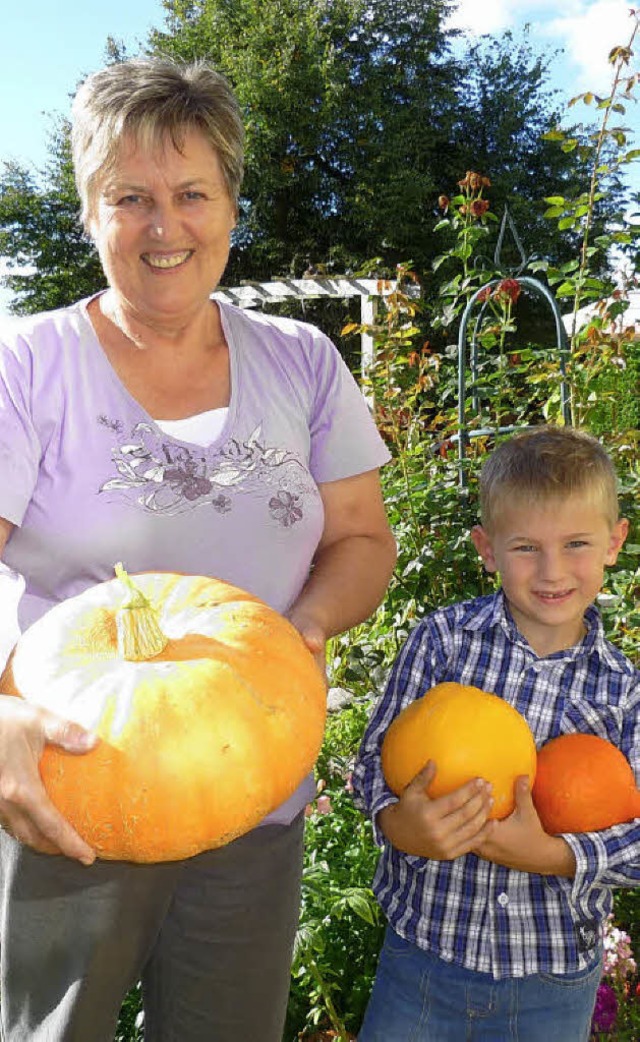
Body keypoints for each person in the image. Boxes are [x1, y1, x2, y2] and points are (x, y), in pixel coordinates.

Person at [0, 56, 397, 1042]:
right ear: (90, 211)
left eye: (191, 194)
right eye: (129, 197)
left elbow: (360, 538)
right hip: (68, 801)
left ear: (230, 206)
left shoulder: (304, 362)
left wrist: (301, 625)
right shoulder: (27, 365)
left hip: (251, 803)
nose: (163, 226)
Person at [352, 425, 640, 1042]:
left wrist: (553, 855)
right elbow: (373, 759)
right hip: (423, 958)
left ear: (616, 542)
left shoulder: (624, 693)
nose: (553, 570)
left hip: (550, 982)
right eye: (526, 547)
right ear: (487, 548)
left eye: (577, 544)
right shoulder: (445, 642)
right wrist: (398, 823)